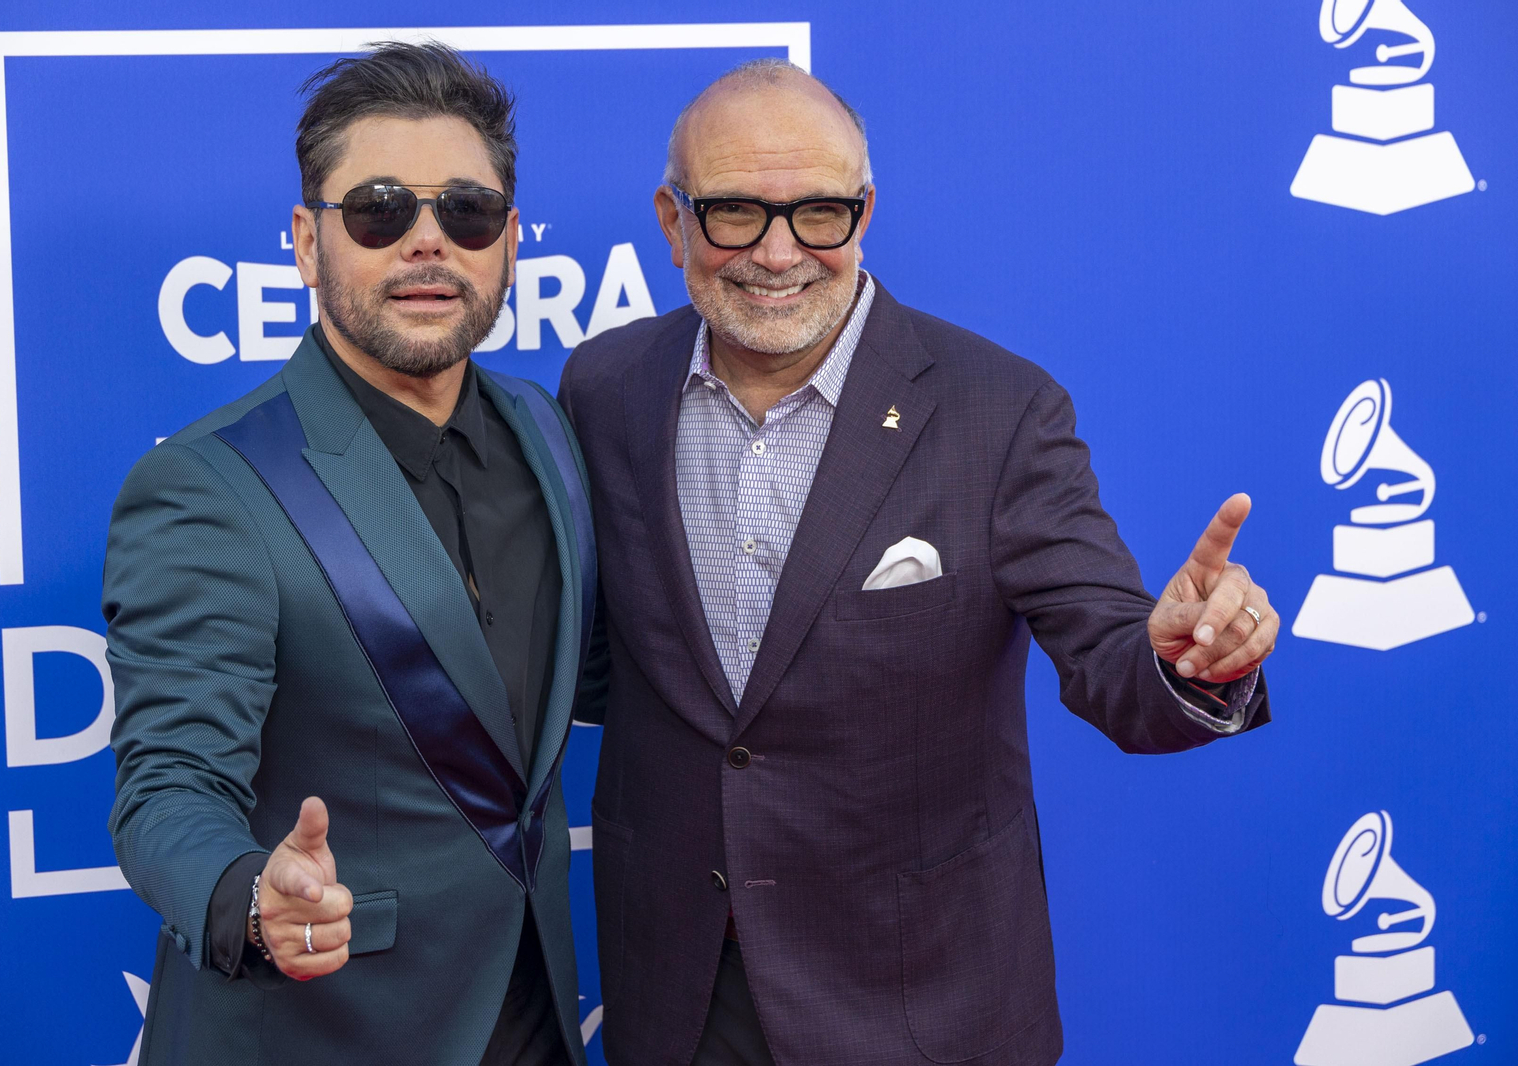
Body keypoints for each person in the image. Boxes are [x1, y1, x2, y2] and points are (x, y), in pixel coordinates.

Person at [559, 59, 1277, 1066]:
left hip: (922, 997)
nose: (778, 253)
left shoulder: (999, 411)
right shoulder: (602, 387)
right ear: (673, 222)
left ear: (864, 213)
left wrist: (1185, 659)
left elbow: (1111, 654)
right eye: (732, 213)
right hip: (677, 989)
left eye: (819, 213)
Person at [105, 43, 592, 1065]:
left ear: (506, 240)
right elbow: (169, 788)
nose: (428, 242)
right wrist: (252, 896)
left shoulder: (546, 432)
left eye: (467, 211)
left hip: (538, 1016)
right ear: (305, 239)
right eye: (379, 209)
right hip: (323, 1028)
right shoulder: (209, 484)